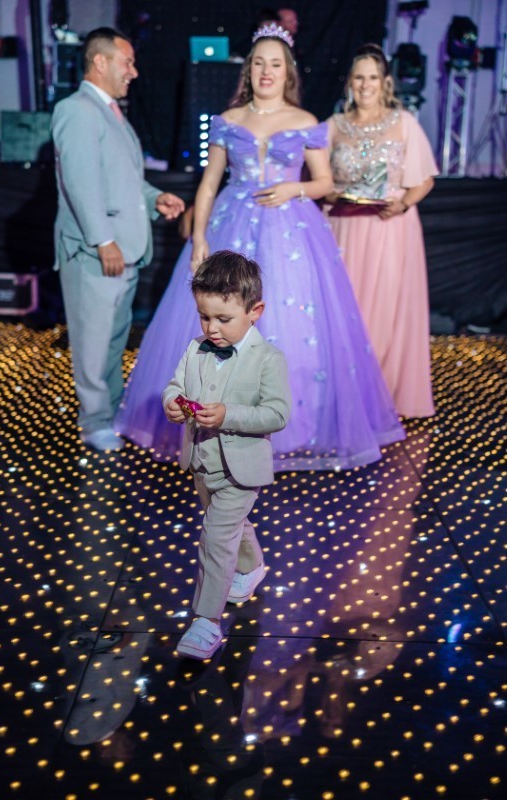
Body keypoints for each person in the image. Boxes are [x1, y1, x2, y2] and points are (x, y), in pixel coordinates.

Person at [115, 23, 404, 471]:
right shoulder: (229, 120)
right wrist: (200, 237)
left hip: (292, 232)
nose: (266, 71)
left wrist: (294, 189)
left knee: (294, 323)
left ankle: (289, 426)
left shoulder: (304, 121)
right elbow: (209, 184)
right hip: (233, 221)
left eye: (275, 64)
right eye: (259, 64)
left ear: (287, 72)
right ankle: (218, 420)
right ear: (248, 70)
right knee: (220, 319)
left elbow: (325, 182)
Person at [52, 27, 184, 451]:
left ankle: (109, 413)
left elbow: (122, 181)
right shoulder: (77, 110)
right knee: (92, 343)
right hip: (97, 251)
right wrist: (102, 240)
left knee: (111, 340)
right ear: (100, 61)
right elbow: (80, 183)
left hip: (123, 249)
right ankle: (94, 423)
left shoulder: (110, 112)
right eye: (127, 62)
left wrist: (154, 198)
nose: (134, 71)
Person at [164, 251, 291, 659]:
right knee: (231, 525)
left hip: (242, 469)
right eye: (204, 317)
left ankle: (206, 622)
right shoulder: (196, 348)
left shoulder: (268, 359)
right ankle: (251, 568)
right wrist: (172, 403)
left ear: (255, 312)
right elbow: (175, 385)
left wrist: (228, 415)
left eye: (223, 319)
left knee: (216, 538)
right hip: (202, 462)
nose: (212, 328)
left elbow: (277, 414)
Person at [324, 43, 438, 418]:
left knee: (385, 313)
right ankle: (346, 396)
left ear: (385, 82)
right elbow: (317, 178)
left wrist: (403, 203)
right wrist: (332, 194)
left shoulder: (403, 122)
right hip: (342, 227)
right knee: (344, 312)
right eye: (359, 77)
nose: (365, 84)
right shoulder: (333, 126)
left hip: (391, 228)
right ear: (349, 82)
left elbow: (424, 179)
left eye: (372, 77)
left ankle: (382, 396)